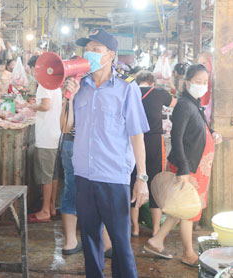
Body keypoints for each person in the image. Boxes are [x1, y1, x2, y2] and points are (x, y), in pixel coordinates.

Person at [64, 29, 150, 278]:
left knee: (121, 244)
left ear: (111, 55)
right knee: (90, 239)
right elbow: (65, 127)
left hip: (113, 177)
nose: (88, 54)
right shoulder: (81, 88)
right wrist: (68, 97)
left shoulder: (126, 89)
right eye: (86, 49)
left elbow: (137, 135)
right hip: (84, 174)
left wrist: (141, 178)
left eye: (95, 49)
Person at [145, 64, 223, 267]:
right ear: (187, 82)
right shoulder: (183, 105)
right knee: (187, 211)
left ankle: (157, 241)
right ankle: (188, 253)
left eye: (205, 82)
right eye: (198, 81)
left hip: (196, 168)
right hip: (188, 167)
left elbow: (203, 124)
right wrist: (184, 169)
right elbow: (176, 138)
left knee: (182, 207)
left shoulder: (195, 104)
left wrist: (212, 132)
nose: (202, 85)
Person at [59, 84, 114, 258]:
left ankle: (70, 242)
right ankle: (105, 243)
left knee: (70, 189)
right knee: (99, 189)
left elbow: (65, 126)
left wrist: (68, 97)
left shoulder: (73, 90)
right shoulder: (93, 90)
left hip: (69, 143)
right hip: (85, 146)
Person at [131, 71, 177, 237]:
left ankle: (135, 228)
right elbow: (176, 104)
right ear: (152, 82)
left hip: (134, 141)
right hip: (154, 142)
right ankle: (156, 229)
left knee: (133, 182)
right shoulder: (159, 93)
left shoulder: (130, 92)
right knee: (155, 183)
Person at [27, 55, 63, 224]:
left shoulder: (43, 84)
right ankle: (52, 207)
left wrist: (33, 106)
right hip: (55, 134)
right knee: (53, 174)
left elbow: (46, 106)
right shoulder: (55, 83)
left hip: (46, 136)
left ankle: (45, 211)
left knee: (45, 176)